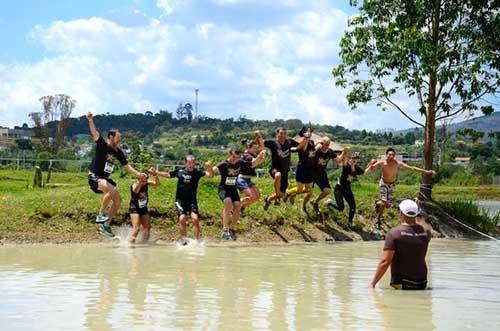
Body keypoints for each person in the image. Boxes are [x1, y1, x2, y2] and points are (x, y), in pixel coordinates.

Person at [86, 112, 146, 238]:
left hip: (105, 179)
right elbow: (94, 133)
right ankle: (101, 214)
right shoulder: (103, 144)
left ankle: (106, 225)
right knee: (111, 189)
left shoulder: (118, 152)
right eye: (117, 137)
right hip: (94, 176)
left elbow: (127, 167)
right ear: (111, 137)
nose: (119, 139)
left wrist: (138, 175)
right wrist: (90, 120)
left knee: (118, 200)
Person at [364, 147, 436, 229]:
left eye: (393, 155)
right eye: (389, 155)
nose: (391, 156)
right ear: (386, 155)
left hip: (392, 185)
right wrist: (370, 164)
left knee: (387, 205)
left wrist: (427, 171)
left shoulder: (397, 163)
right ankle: (378, 220)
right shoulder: (382, 163)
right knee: (384, 203)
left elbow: (412, 168)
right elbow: (370, 168)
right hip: (384, 183)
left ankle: (377, 203)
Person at [370, 199, 432, 290]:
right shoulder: (426, 232)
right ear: (416, 214)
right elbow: (421, 226)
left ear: (400, 213)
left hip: (402, 283)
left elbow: (385, 262)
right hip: (422, 283)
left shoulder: (394, 233)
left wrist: (372, 284)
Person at [150, 156, 213, 243]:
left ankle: (198, 242)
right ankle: (183, 241)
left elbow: (210, 176)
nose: (191, 165)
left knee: (195, 219)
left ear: (195, 163)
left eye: (193, 163)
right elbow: (168, 175)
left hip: (192, 200)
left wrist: (209, 167)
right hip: (180, 200)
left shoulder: (197, 172)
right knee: (182, 218)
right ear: (185, 163)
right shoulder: (180, 171)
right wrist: (156, 172)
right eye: (189, 163)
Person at [213, 148, 260, 241]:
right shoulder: (224, 164)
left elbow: (253, 164)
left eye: (237, 157)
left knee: (238, 206)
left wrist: (260, 156)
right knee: (228, 204)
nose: (235, 159)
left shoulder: (240, 162)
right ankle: (225, 230)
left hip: (233, 189)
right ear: (229, 154)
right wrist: (210, 167)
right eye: (233, 157)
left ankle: (232, 229)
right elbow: (214, 170)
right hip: (224, 189)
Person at [257, 127, 302, 210]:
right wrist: (258, 136)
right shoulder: (272, 142)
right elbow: (261, 144)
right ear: (277, 134)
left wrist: (306, 138)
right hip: (275, 169)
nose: (283, 135)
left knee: (281, 194)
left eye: (284, 134)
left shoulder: (289, 142)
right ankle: (277, 196)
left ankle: (268, 199)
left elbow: (300, 145)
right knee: (278, 176)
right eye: (281, 133)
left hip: (285, 171)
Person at [325, 152, 365, 226]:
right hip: (339, 188)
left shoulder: (356, 168)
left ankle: (350, 222)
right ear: (350, 158)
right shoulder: (346, 165)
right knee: (341, 208)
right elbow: (345, 159)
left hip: (347, 189)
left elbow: (364, 172)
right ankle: (330, 202)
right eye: (353, 158)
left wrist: (372, 165)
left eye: (356, 159)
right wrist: (346, 151)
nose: (355, 160)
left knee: (353, 207)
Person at [310, 137, 348, 213]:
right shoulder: (317, 150)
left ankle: (315, 202)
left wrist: (344, 152)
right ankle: (292, 194)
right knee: (307, 191)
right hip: (312, 172)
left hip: (322, 173)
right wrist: (316, 146)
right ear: (321, 143)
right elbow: (310, 155)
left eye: (328, 145)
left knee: (327, 190)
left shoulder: (330, 152)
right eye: (324, 144)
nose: (326, 146)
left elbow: (339, 161)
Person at [284, 129, 316, 214]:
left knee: (309, 190)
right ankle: (288, 193)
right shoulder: (303, 142)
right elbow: (303, 147)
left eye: (311, 131)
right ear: (304, 134)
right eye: (308, 131)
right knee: (299, 189)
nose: (310, 133)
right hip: (302, 169)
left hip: (310, 170)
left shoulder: (312, 142)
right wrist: (306, 138)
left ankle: (298, 201)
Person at [237, 137, 267, 214]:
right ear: (248, 147)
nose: (255, 150)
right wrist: (260, 155)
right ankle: (235, 206)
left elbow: (258, 162)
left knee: (257, 196)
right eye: (254, 148)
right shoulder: (247, 156)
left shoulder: (251, 154)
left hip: (247, 180)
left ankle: (242, 206)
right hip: (242, 180)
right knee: (252, 197)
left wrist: (262, 156)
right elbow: (254, 163)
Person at [128, 172, 160, 244]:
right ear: (139, 178)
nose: (145, 181)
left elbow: (157, 184)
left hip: (143, 207)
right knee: (136, 228)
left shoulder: (146, 183)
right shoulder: (135, 184)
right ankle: (131, 245)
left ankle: (144, 243)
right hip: (134, 208)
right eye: (144, 179)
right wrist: (140, 182)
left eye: (146, 179)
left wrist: (155, 175)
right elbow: (136, 191)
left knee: (147, 227)